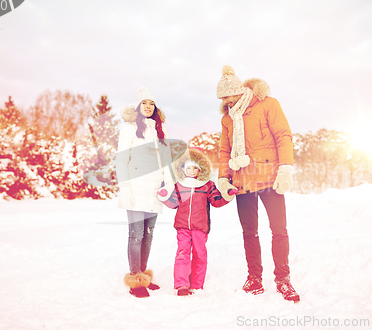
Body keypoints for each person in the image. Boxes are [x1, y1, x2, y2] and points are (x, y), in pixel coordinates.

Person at [215, 65, 300, 302]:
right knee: (249, 233)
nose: (227, 101)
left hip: (269, 178)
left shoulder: (268, 104)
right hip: (242, 182)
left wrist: (285, 170)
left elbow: (283, 136)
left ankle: (283, 280)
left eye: (230, 95)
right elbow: (225, 150)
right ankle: (254, 278)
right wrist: (224, 178)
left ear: (240, 91)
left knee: (279, 231)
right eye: (223, 97)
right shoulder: (227, 119)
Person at [116, 87, 173, 298]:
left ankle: (143, 276)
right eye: (144, 103)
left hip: (154, 191)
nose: (148, 107)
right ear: (138, 106)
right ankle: (135, 279)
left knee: (148, 236)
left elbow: (165, 163)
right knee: (136, 235)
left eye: (152, 104)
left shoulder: (158, 132)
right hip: (135, 189)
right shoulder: (129, 129)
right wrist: (125, 188)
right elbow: (122, 160)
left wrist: (168, 184)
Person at [157, 148, 230, 296]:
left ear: (200, 169)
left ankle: (197, 284)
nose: (191, 171)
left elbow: (216, 201)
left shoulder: (207, 185)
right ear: (183, 169)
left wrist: (227, 195)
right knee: (183, 254)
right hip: (182, 226)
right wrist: (164, 195)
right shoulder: (180, 185)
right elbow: (173, 203)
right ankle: (182, 285)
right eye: (188, 167)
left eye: (194, 168)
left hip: (200, 227)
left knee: (200, 254)